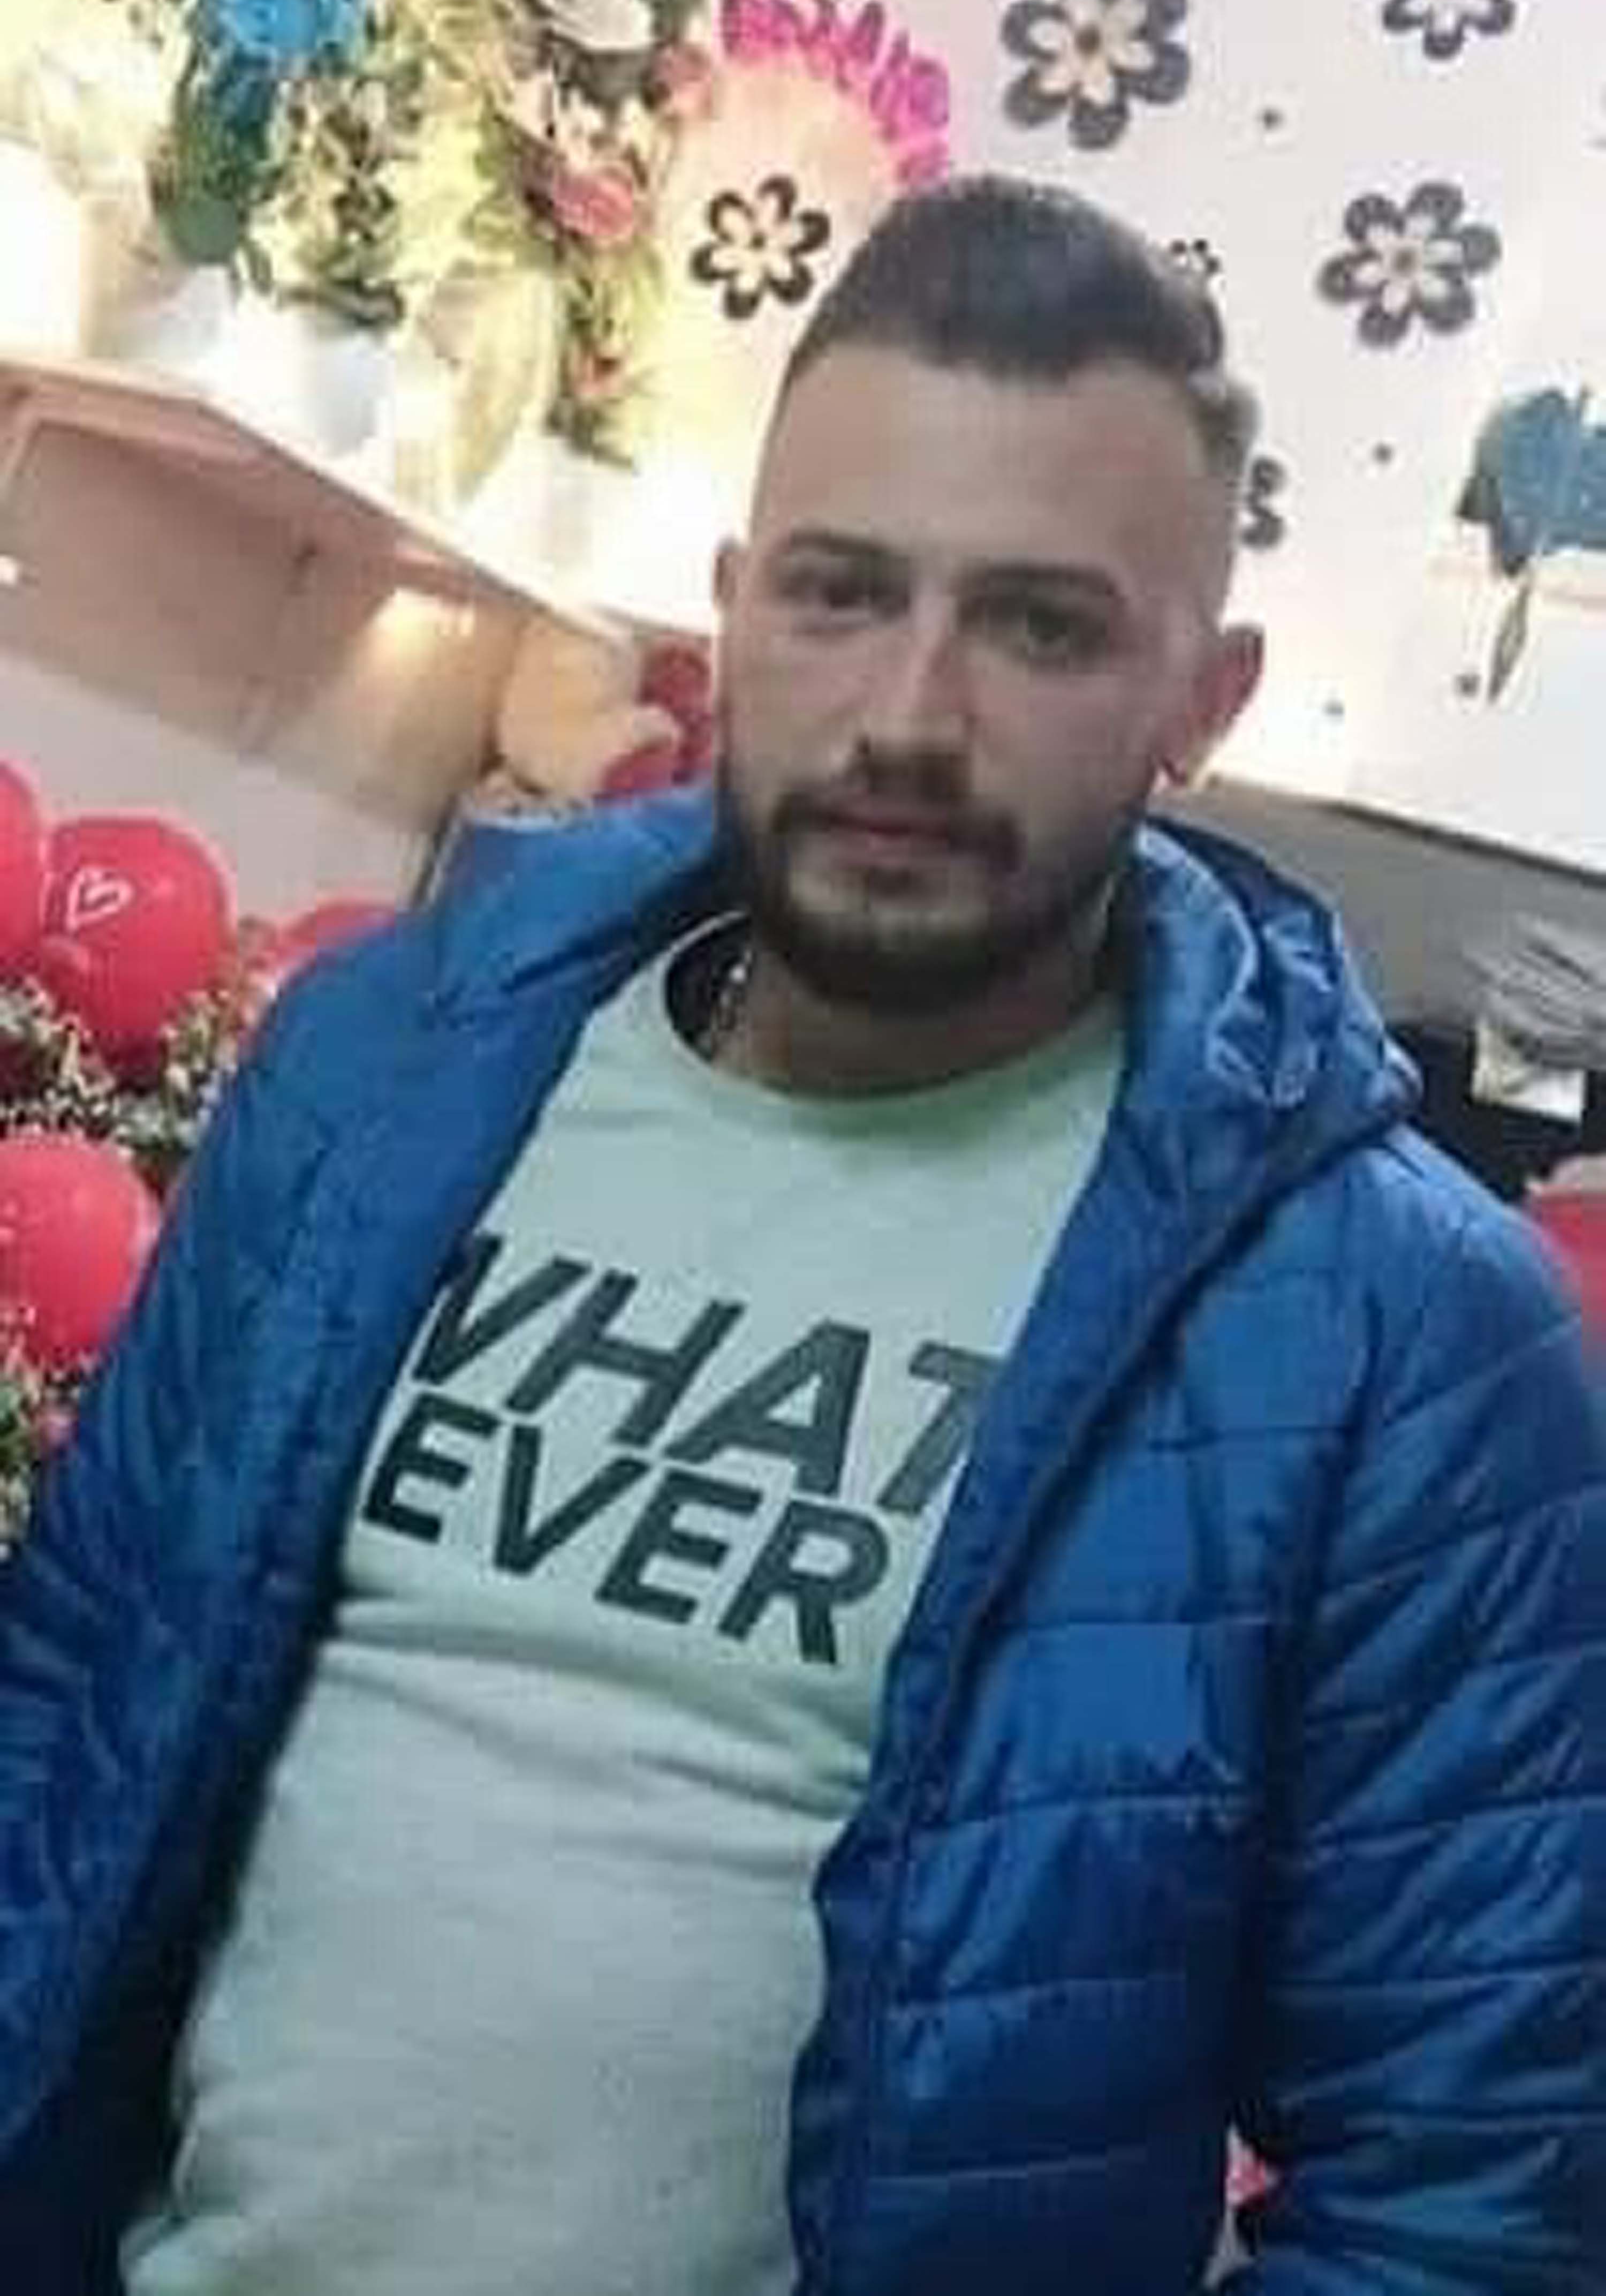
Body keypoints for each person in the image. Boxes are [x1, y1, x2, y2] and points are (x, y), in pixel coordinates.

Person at [1, 177, 1601, 2296]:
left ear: (1201, 701)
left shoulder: (1398, 1336)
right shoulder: (383, 1065)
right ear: (737, 609)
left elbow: (1475, 2194)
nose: (910, 714)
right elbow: (69, 1710)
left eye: (1041, 627)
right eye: (845, 594)